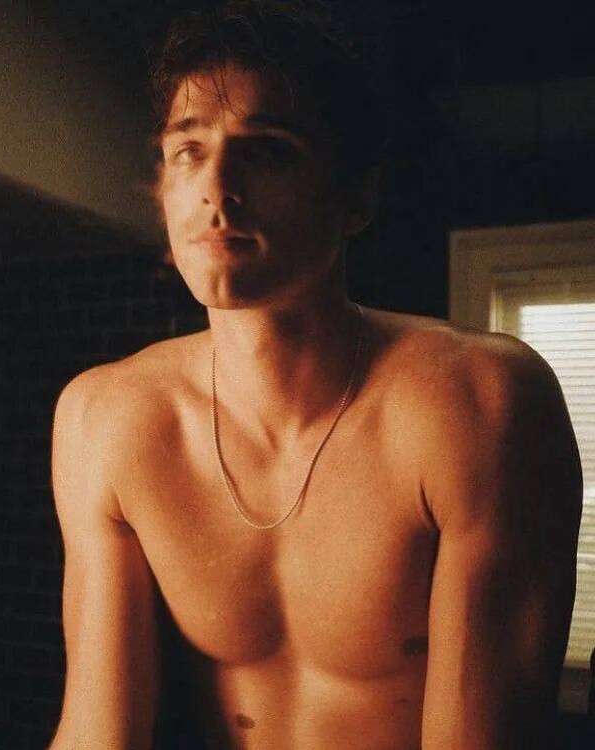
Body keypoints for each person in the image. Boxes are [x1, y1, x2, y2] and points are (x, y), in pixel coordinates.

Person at [49, 1, 583, 748]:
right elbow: (98, 734)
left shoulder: (479, 402)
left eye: (267, 149)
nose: (217, 187)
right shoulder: (105, 418)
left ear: (355, 196)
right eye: (188, 151)